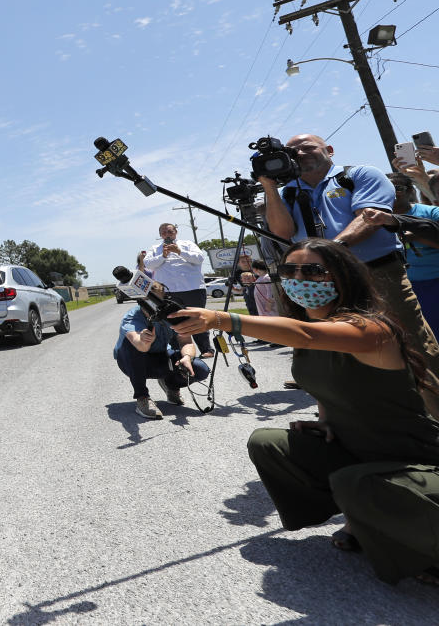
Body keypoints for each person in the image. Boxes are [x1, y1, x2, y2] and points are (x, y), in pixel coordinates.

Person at [169, 238, 439, 585]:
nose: (300, 279)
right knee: (268, 443)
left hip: (415, 458)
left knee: (354, 482)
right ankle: (369, 516)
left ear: (343, 277)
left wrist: (222, 319)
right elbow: (323, 384)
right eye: (290, 271)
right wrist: (324, 423)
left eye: (313, 270)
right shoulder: (309, 337)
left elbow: (307, 335)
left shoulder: (371, 329)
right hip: (357, 449)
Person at [258, 133, 439, 381]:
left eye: (308, 147)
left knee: (416, 347)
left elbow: (369, 218)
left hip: (377, 274)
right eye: (292, 152)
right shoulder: (288, 192)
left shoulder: (359, 175)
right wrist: (270, 187)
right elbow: (282, 232)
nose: (299, 154)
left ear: (329, 150)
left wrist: (331, 251)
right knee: (344, 353)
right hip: (322, 284)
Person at [113, 284, 210, 420]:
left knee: (200, 369)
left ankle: (171, 386)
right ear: (141, 300)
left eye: (158, 301)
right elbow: (140, 347)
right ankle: (142, 397)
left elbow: (186, 341)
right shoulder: (132, 317)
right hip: (132, 362)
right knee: (131, 346)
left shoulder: (171, 313)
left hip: (161, 357)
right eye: (149, 301)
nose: (153, 306)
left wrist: (187, 357)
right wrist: (145, 340)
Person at [363, 174, 439, 338]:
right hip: (404, 287)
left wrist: (417, 236)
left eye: (397, 188)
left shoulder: (432, 213)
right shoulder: (368, 221)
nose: (392, 193)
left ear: (410, 190)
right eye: (386, 188)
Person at [143, 223, 214, 357]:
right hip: (168, 292)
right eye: (163, 232)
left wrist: (179, 251)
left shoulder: (187, 244)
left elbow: (199, 258)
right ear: (160, 235)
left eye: (169, 231)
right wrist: (163, 256)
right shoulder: (155, 248)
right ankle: (178, 351)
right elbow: (148, 264)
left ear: (175, 232)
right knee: (171, 320)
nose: (167, 234)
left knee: (198, 317)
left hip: (192, 288)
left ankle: (206, 349)